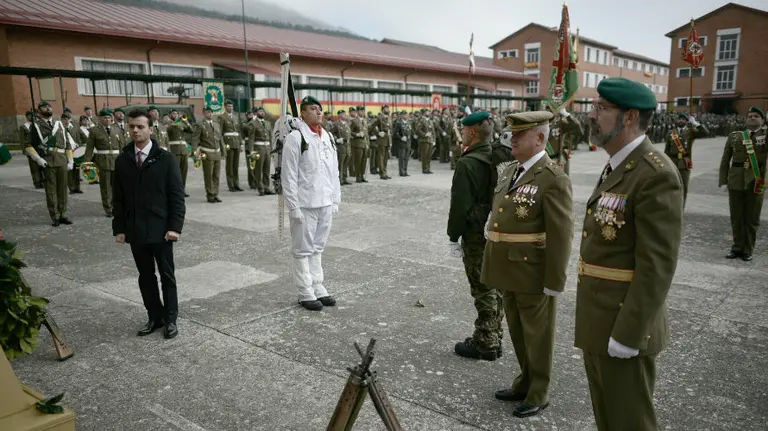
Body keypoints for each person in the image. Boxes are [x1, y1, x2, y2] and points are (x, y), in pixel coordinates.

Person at [578, 77, 683, 430]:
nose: (591, 116)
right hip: (599, 319)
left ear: (628, 118)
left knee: (630, 422)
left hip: (624, 324)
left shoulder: (655, 173)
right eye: (593, 107)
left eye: (601, 109)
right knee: (608, 419)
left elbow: (658, 266)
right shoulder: (618, 165)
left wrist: (629, 333)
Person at [481, 111, 573, 418]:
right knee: (518, 332)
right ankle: (524, 380)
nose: (513, 139)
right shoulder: (511, 171)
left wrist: (554, 280)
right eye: (512, 134)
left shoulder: (553, 178)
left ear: (541, 138)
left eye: (520, 135)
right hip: (508, 268)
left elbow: (561, 235)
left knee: (538, 335)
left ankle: (539, 391)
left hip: (533, 272)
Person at [113, 109, 186, 339]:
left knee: (167, 275)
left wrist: (175, 227)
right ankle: (155, 316)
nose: (135, 130)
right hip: (135, 230)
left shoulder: (165, 159)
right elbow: (118, 197)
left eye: (140, 126)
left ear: (150, 130)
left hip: (161, 229)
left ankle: (171, 319)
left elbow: (176, 196)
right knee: (145, 276)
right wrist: (120, 228)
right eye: (132, 126)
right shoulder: (123, 160)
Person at [447, 111, 505, 362]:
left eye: (463, 130)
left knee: (481, 286)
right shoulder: (499, 155)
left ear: (471, 132)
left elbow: (459, 205)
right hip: (498, 229)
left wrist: (453, 235)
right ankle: (495, 334)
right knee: (497, 284)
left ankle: (486, 340)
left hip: (475, 233)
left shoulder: (468, 162)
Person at [281, 96, 341, 311]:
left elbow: (334, 171)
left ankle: (318, 286)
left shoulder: (328, 137)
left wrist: (335, 198)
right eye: (312, 109)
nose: (318, 112)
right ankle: (305, 291)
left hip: (324, 201)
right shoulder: (296, 138)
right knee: (302, 250)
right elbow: (288, 175)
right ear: (303, 114)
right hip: (305, 203)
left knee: (318, 248)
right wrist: (293, 205)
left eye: (319, 109)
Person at [719, 106, 767, 262]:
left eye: (756, 116)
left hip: (756, 181)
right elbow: (725, 160)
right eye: (750, 115)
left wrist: (766, 182)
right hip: (735, 181)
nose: (752, 118)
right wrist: (723, 181)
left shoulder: (765, 136)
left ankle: (748, 249)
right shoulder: (735, 136)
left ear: (762, 120)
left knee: (752, 218)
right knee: (737, 217)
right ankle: (737, 247)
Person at [26, 101, 75, 226]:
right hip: (47, 160)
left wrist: (70, 160)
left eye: (49, 106)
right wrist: (38, 159)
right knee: (51, 190)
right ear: (39, 111)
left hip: (62, 160)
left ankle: (63, 214)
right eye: (44, 107)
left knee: (63, 189)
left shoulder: (59, 124)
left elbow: (67, 144)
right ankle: (55, 216)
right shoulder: (36, 126)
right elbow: (28, 145)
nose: (47, 108)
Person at [664, 112, 709, 204]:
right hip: (672, 163)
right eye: (680, 119)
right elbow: (666, 151)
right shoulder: (670, 133)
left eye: (683, 119)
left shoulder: (691, 132)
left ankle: (681, 208)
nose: (681, 121)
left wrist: (696, 123)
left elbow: (705, 133)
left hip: (684, 164)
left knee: (683, 187)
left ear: (686, 121)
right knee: (671, 186)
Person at [85, 108, 122, 217]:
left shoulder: (117, 129)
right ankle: (108, 208)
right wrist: (87, 163)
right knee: (106, 186)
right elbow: (89, 148)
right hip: (103, 161)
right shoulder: (94, 130)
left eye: (109, 117)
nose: (107, 119)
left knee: (116, 186)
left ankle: (116, 206)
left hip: (116, 160)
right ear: (100, 118)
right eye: (105, 117)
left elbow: (122, 146)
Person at [192, 106, 225, 203]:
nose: (209, 114)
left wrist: (223, 151)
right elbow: (195, 139)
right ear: (204, 113)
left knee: (216, 175)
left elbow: (220, 139)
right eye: (207, 112)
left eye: (211, 112)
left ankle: (215, 194)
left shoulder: (216, 124)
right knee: (208, 175)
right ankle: (210, 195)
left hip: (217, 152)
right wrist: (194, 151)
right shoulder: (200, 124)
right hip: (207, 153)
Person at [247, 107, 274, 195]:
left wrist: (272, 149)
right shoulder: (253, 124)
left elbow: (270, 137)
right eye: (259, 111)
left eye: (262, 111)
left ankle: (266, 187)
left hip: (267, 148)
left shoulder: (268, 123)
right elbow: (251, 138)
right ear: (256, 113)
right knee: (258, 169)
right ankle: (260, 188)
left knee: (267, 169)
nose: (261, 113)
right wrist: (251, 151)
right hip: (258, 148)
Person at [547, 108, 583, 175]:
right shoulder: (541, 123)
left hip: (558, 159)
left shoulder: (562, 124)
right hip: (544, 160)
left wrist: (567, 115)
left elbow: (578, 129)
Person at [166, 109, 193, 197]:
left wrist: (186, 122)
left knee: (183, 171)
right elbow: (169, 129)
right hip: (174, 150)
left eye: (177, 114)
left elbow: (191, 131)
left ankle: (182, 189)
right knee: (175, 172)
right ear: (170, 115)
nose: (176, 115)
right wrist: (177, 122)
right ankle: (174, 191)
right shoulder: (168, 123)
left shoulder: (182, 123)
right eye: (174, 113)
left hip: (183, 150)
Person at [219, 100, 243, 192]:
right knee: (229, 165)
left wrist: (241, 143)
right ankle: (231, 185)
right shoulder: (222, 117)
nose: (231, 108)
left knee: (236, 165)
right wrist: (223, 145)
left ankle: (236, 184)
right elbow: (220, 132)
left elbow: (239, 131)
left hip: (236, 142)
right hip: (228, 143)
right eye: (229, 106)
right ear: (225, 107)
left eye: (232, 106)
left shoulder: (236, 117)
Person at [19, 110, 44, 189]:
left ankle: (43, 181)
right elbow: (22, 139)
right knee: (34, 167)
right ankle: (37, 182)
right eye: (29, 116)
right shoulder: (24, 127)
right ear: (26, 117)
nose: (31, 117)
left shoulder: (37, 124)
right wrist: (24, 150)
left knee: (41, 165)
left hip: (39, 148)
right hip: (30, 149)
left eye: (32, 116)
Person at [332, 109, 352, 185]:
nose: (345, 115)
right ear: (339, 115)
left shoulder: (347, 124)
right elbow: (330, 133)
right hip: (341, 147)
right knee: (340, 164)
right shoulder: (336, 124)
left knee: (346, 164)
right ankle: (339, 179)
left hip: (347, 147)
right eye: (343, 114)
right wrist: (336, 139)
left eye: (345, 114)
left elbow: (349, 135)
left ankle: (344, 178)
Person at [349, 106, 369, 183]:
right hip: (357, 144)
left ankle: (362, 175)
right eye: (361, 111)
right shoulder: (354, 121)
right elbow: (349, 131)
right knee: (358, 161)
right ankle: (358, 176)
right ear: (358, 112)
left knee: (364, 161)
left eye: (363, 111)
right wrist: (356, 134)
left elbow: (366, 133)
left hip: (364, 144)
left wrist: (367, 143)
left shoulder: (365, 120)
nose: (363, 112)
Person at [392, 110, 412, 177]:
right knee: (401, 158)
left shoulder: (409, 122)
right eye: (404, 115)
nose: (405, 116)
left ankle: (405, 171)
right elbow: (395, 133)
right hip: (401, 143)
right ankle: (401, 172)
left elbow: (410, 132)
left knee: (406, 158)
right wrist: (401, 137)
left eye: (406, 114)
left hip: (408, 142)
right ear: (401, 116)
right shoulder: (399, 123)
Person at [416, 109, 435, 174]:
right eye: (427, 112)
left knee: (429, 155)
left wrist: (434, 140)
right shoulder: (422, 120)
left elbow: (433, 131)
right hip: (424, 140)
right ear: (424, 113)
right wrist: (424, 134)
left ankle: (428, 168)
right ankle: (424, 169)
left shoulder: (430, 121)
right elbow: (418, 130)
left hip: (430, 140)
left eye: (429, 112)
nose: (429, 113)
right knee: (424, 155)